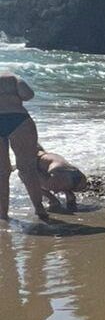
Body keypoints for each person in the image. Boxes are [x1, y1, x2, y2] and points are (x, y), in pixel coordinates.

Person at [0, 72, 52, 223]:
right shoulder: (11, 76)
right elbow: (28, 94)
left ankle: (3, 214)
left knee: (2, 172)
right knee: (28, 169)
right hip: (18, 118)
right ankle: (39, 208)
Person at [36, 149, 86, 213]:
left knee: (33, 183)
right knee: (56, 180)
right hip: (80, 178)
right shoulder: (49, 155)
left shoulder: (33, 158)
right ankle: (68, 193)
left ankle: (53, 200)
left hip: (63, 177)